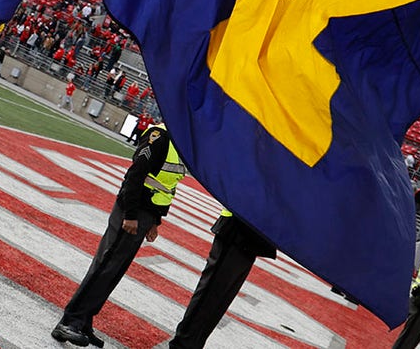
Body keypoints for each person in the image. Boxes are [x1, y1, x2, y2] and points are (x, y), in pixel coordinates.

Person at [52, 121, 187, 347]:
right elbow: (135, 175)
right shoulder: (159, 136)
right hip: (132, 211)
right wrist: (131, 215)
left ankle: (84, 320)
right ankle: (69, 321)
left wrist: (155, 220)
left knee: (114, 271)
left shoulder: (180, 142)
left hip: (145, 214)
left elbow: (167, 186)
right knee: (105, 266)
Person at [169, 211, 276, 348]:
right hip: (237, 230)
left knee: (219, 302)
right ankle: (182, 346)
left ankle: (191, 345)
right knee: (210, 295)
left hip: (252, 236)